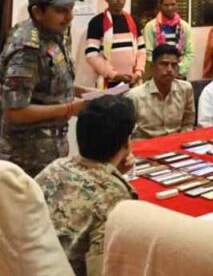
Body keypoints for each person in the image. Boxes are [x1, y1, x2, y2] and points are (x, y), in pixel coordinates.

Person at [35, 95, 138, 276]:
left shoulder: (55, 167)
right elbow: (104, 271)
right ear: (127, 141)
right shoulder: (115, 198)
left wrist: (113, 171)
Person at [0, 0, 91, 177]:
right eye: (61, 10)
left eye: (71, 9)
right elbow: (15, 111)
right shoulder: (27, 48)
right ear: (37, 12)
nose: (69, 17)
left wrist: (85, 92)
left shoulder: (54, 34)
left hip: (51, 149)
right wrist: (71, 108)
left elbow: (48, 81)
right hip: (25, 157)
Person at [127, 44, 194, 139]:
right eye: (164, 64)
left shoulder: (185, 89)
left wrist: (181, 140)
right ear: (152, 67)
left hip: (177, 142)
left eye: (174, 65)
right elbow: (127, 134)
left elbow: (188, 123)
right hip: (146, 145)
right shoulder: (134, 96)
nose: (170, 70)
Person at [86, 0, 146, 88]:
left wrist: (138, 73)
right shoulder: (96, 22)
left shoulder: (134, 21)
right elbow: (91, 55)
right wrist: (114, 75)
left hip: (132, 80)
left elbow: (141, 51)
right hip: (108, 82)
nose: (119, 0)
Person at [143, 0, 193, 79]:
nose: (169, 8)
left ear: (177, 5)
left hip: (179, 74)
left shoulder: (185, 27)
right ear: (160, 6)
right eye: (166, 5)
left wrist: (177, 69)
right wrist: (163, 68)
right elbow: (148, 53)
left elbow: (189, 53)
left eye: (172, 4)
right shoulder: (150, 26)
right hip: (158, 75)